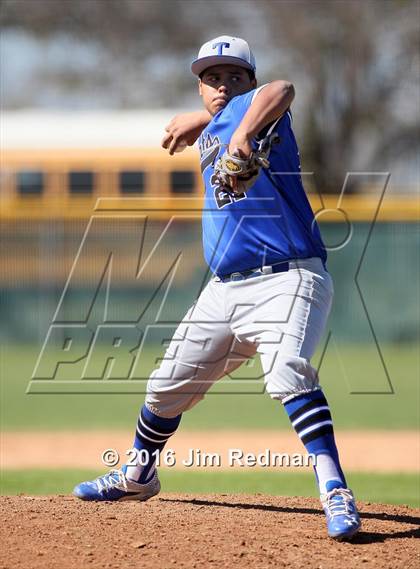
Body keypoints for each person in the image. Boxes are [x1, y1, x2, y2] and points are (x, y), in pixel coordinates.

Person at [73, 36, 361, 541]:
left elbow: (284, 88)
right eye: (211, 78)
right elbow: (223, 116)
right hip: (224, 290)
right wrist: (205, 123)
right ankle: (139, 476)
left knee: (288, 373)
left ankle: (335, 488)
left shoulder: (264, 113)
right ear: (200, 87)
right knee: (163, 390)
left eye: (234, 76)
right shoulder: (217, 122)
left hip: (289, 277)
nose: (222, 85)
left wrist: (239, 134)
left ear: (250, 81)